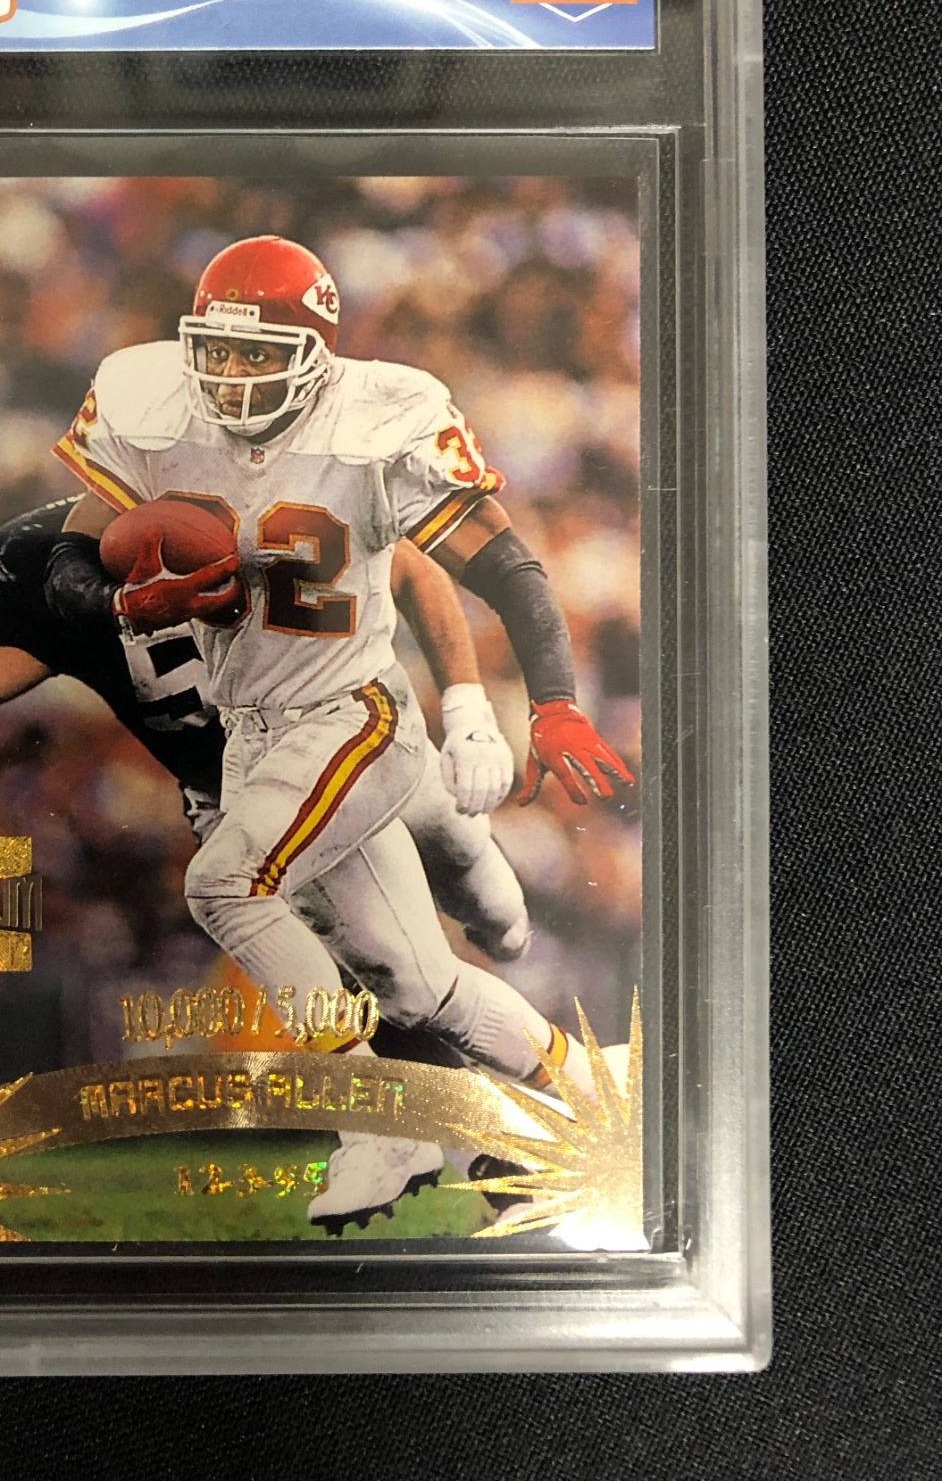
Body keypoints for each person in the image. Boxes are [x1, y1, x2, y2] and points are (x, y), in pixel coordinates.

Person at [42, 235, 635, 1226]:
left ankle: (380, 1125)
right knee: (415, 985)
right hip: (251, 732)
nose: (233, 374)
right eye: (217, 350)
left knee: (225, 885)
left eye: (259, 353)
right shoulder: (151, 408)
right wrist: (120, 601)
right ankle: (585, 1089)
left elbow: (502, 567)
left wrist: (551, 701)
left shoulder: (376, 424)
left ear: (316, 356)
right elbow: (69, 560)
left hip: (351, 715)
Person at [0, 497, 534, 1231]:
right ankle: (482, 1149)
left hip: (331, 750)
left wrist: (467, 709)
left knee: (441, 946)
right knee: (379, 977)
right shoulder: (48, 563)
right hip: (229, 793)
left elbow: (410, 571)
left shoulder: (239, 501)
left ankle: (491, 1081)